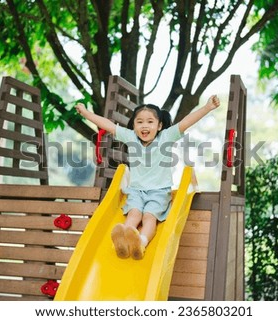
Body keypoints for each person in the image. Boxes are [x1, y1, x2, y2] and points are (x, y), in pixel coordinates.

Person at [75, 95, 220, 259]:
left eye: (150, 122)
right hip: (136, 191)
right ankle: (122, 240)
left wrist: (207, 107)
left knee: (149, 216)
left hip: (159, 192)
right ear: (134, 126)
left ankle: (141, 242)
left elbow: (187, 121)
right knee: (134, 214)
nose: (145, 125)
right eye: (140, 122)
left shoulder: (166, 137)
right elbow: (107, 125)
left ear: (159, 126)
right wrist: (86, 113)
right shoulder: (130, 137)